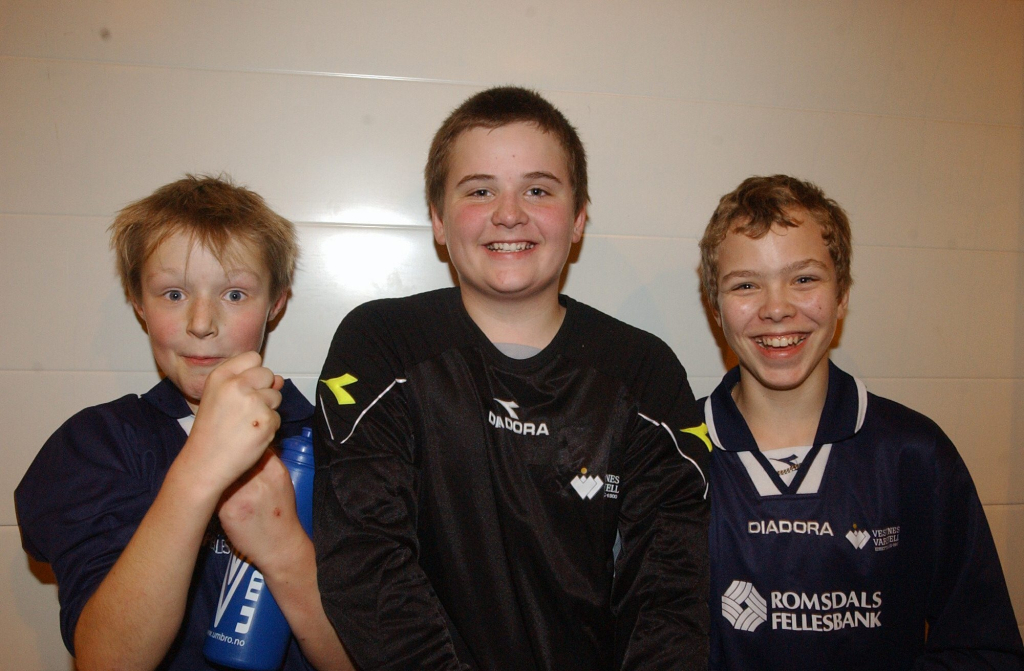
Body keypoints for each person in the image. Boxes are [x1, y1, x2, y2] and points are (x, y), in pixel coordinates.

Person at [313, 86, 711, 670]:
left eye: (538, 190)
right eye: (480, 190)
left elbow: (670, 594)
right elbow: (367, 566)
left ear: (578, 218)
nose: (509, 213)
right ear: (438, 220)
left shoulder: (643, 371)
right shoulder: (382, 346)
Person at [15, 175, 352, 671]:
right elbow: (107, 660)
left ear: (276, 303)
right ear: (138, 302)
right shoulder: (96, 445)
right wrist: (199, 472)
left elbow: (374, 656)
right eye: (173, 294)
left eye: (234, 294)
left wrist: (283, 550)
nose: (201, 323)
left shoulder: (343, 443)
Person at [698, 174, 1024, 670]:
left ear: (843, 294)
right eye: (745, 285)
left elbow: (986, 650)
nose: (777, 308)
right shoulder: (674, 454)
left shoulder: (914, 454)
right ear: (715, 308)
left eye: (804, 279)